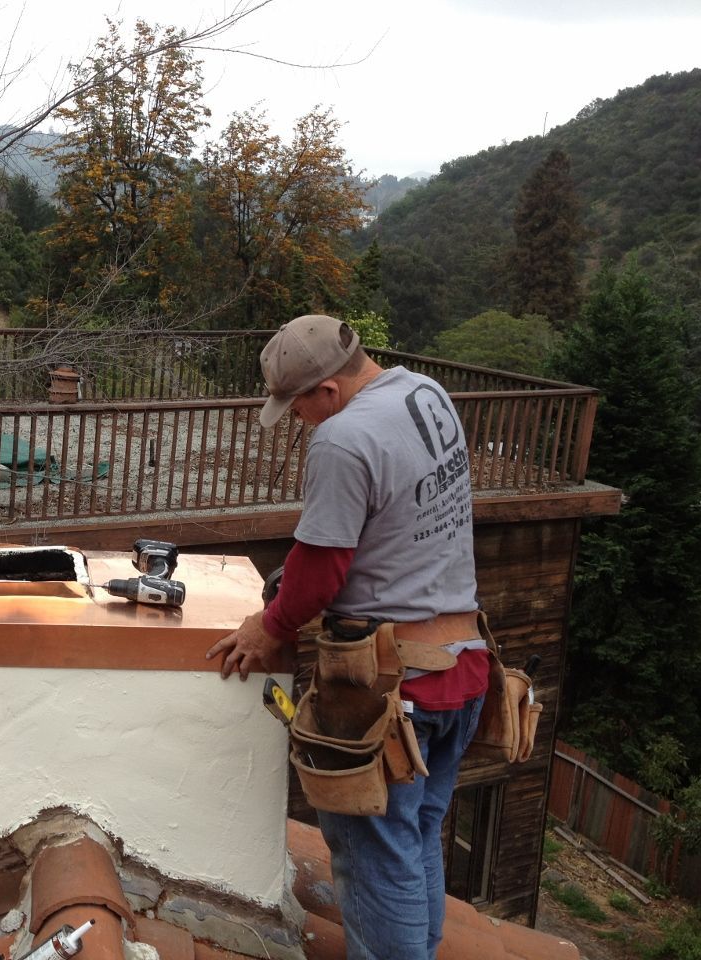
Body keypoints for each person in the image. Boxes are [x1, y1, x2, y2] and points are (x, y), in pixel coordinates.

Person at [205, 314, 490, 960]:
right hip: (462, 671)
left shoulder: (343, 439)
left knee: (373, 859)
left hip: (394, 693)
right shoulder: (425, 393)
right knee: (416, 834)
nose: (299, 419)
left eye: (297, 405)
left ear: (326, 392)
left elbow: (320, 572)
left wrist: (269, 626)